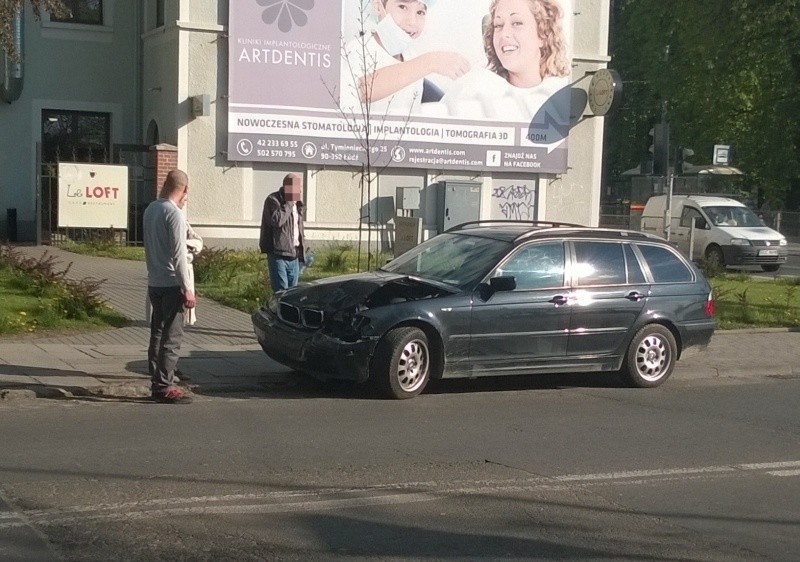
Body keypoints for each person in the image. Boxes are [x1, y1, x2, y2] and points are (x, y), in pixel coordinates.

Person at [438, 0, 570, 122]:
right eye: (498, 25)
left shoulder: (564, 94)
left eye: (517, 23)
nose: (504, 33)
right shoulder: (472, 86)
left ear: (543, 35)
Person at [339, 0, 470, 115]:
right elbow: (359, 89)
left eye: (420, 12)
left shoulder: (411, 56)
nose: (412, 22)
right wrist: (430, 62)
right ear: (378, 7)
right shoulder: (357, 50)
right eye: (402, 7)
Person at [143, 169, 196, 404]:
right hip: (171, 283)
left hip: (154, 281)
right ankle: (164, 385)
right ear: (183, 189)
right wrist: (187, 288)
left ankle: (156, 376)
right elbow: (179, 255)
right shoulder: (174, 214)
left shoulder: (151, 209)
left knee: (157, 332)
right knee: (172, 338)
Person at [259, 173, 306, 292]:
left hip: (294, 254)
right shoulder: (273, 200)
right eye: (296, 187)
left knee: (292, 293)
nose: (299, 190)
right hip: (278, 254)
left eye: (299, 187)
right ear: (286, 187)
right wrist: (289, 202)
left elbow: (297, 227)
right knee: (281, 293)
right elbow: (277, 221)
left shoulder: (298, 204)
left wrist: (303, 245)